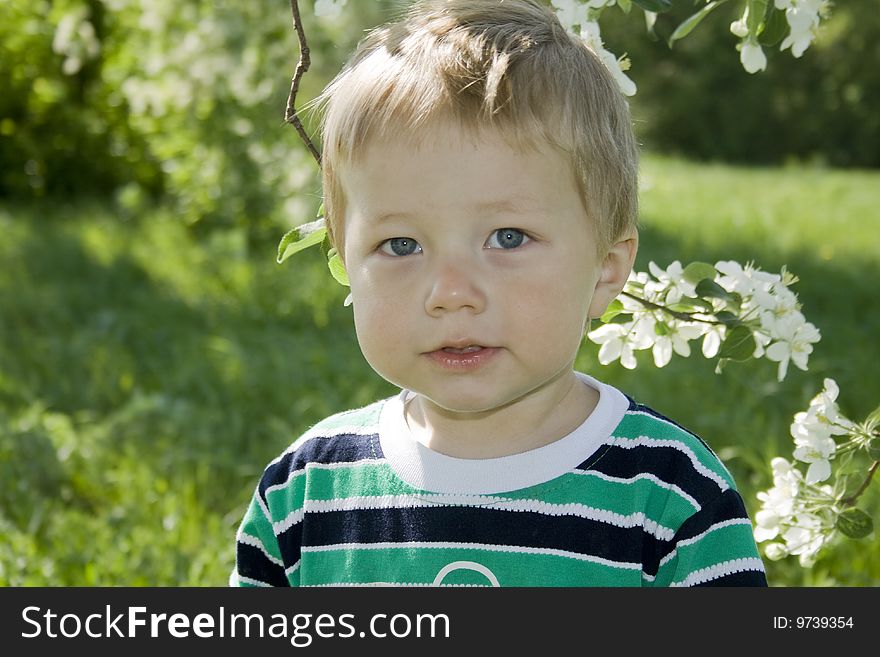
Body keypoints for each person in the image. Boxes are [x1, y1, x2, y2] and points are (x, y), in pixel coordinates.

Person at [231, 0, 767, 587]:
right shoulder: (305, 495)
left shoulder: (670, 494)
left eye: (507, 238)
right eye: (402, 245)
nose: (452, 293)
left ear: (606, 269)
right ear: (345, 263)